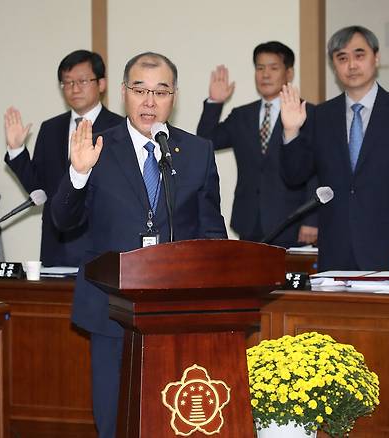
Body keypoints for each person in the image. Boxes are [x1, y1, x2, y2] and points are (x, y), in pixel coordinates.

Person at [50, 52, 227, 437]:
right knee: (113, 418)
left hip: (176, 313)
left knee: (172, 422)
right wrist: (78, 174)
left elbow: (212, 233)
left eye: (160, 91)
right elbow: (63, 221)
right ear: (123, 93)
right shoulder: (96, 146)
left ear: (174, 96)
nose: (150, 101)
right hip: (109, 309)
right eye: (140, 90)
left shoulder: (196, 151)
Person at [279, 25, 389, 271]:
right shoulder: (321, 116)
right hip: (335, 248)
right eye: (342, 58)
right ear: (334, 66)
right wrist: (291, 131)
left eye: (360, 55)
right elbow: (295, 176)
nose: (351, 65)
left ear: (376, 58)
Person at [4, 50, 124, 266]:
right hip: (55, 247)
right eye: (67, 83)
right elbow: (39, 190)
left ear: (102, 84)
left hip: (100, 248)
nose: (74, 88)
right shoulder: (50, 128)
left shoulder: (119, 129)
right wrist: (17, 150)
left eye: (82, 81)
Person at [196, 41, 318, 247]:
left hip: (294, 222)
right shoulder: (242, 115)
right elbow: (205, 142)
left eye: (273, 68)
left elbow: (318, 171)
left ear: (289, 73)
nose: (265, 74)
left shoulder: (309, 113)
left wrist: (312, 219)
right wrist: (215, 103)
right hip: (249, 220)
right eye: (260, 68)